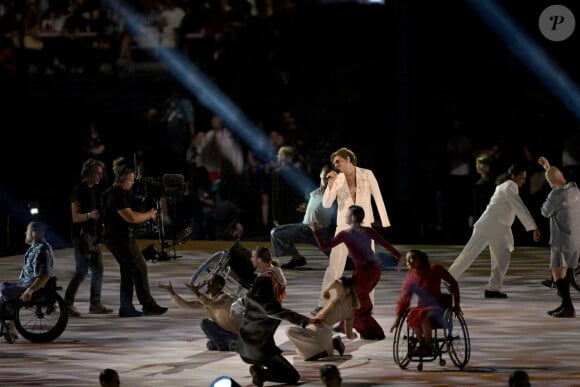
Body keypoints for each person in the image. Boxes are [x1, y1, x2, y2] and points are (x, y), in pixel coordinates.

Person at [313, 147, 392, 315]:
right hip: (343, 226)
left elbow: (377, 196)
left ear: (348, 159)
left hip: (364, 226)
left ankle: (367, 305)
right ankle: (323, 303)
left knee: (368, 267)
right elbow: (327, 204)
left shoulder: (367, 174)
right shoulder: (338, 179)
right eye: (334, 163)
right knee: (334, 266)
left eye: (338, 162)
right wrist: (330, 185)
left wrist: (383, 221)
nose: (335, 166)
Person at [447, 164, 541, 298]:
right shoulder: (509, 185)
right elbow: (519, 206)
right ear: (514, 176)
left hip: (498, 229)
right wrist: (533, 226)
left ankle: (493, 288)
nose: (523, 181)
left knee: (502, 257)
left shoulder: (506, 186)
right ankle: (448, 279)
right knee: (469, 254)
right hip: (488, 226)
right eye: (522, 178)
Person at [310, 205, 402, 340]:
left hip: (366, 272)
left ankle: (373, 332)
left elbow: (324, 246)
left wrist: (315, 231)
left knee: (357, 302)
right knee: (353, 298)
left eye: (347, 214)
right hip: (372, 271)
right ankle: (343, 324)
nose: (345, 216)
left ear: (353, 218)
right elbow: (385, 244)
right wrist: (398, 256)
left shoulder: (345, 234)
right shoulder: (366, 231)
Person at [102, 159, 168, 317]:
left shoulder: (110, 192)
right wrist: (150, 215)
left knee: (128, 271)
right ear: (123, 179)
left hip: (114, 238)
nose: (132, 184)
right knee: (139, 267)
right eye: (131, 181)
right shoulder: (117, 195)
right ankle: (148, 305)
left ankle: (126, 308)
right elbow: (130, 218)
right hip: (120, 239)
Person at [233, 275, 323, 387]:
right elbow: (287, 315)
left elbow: (235, 308)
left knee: (269, 361)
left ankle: (257, 368)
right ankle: (261, 374)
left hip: (243, 350)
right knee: (293, 376)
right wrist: (308, 321)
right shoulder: (268, 304)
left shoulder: (248, 299)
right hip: (260, 351)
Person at [64, 159, 113, 317]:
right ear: (87, 173)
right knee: (82, 271)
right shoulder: (79, 189)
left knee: (98, 270)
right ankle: (67, 304)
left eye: (100, 173)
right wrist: (90, 215)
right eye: (96, 173)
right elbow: (75, 217)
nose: (100, 176)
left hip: (92, 236)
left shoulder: (93, 190)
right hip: (82, 237)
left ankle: (95, 305)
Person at [389, 249, 461, 356]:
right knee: (412, 314)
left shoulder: (435, 269)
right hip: (422, 308)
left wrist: (457, 304)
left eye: (412, 258)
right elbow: (404, 300)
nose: (408, 261)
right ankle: (422, 344)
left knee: (422, 314)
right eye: (407, 259)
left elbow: (453, 283)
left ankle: (428, 345)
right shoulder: (410, 277)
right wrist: (397, 319)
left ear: (421, 259)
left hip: (439, 307)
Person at [270, 164, 337, 269]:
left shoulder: (335, 194)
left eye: (329, 178)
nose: (325, 180)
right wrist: (306, 209)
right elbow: (317, 207)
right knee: (276, 233)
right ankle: (297, 258)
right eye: (324, 177)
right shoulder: (315, 192)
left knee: (346, 264)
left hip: (321, 233)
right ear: (320, 176)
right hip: (304, 229)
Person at [538, 156, 580, 318]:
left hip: (562, 240)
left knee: (557, 274)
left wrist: (549, 177)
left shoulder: (555, 196)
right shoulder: (575, 189)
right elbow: (555, 180)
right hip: (576, 239)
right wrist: (548, 168)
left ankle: (568, 307)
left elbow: (545, 212)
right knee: (564, 272)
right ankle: (565, 305)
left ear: (549, 180)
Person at [0, 221, 56, 342]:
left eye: (28, 230)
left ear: (34, 233)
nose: (25, 233)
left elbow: (44, 276)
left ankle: (10, 325)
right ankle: (4, 322)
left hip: (33, 286)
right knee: (2, 285)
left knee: (5, 291)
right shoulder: (35, 248)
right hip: (26, 283)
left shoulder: (42, 249)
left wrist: (29, 291)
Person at [159, 274, 241, 350]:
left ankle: (231, 342)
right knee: (210, 345)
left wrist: (197, 292)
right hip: (224, 332)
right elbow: (188, 304)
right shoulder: (208, 299)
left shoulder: (226, 298)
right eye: (207, 281)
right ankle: (229, 343)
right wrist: (172, 293)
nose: (208, 284)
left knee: (205, 323)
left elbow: (213, 305)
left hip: (233, 333)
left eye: (211, 282)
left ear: (219, 286)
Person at [286, 275, 359, 361]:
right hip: (324, 331)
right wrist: (355, 336)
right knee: (303, 350)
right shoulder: (351, 311)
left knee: (289, 331)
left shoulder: (337, 299)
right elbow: (349, 335)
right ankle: (332, 343)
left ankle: (331, 344)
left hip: (320, 327)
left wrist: (327, 291)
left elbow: (336, 282)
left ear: (345, 289)